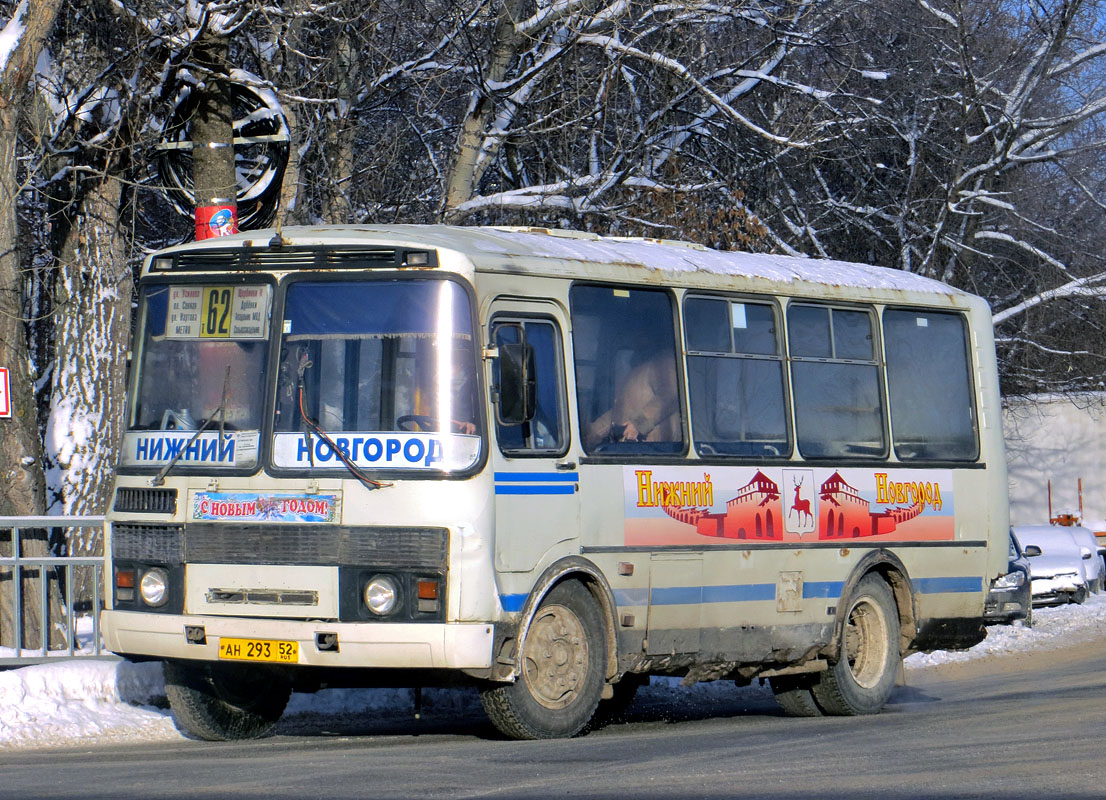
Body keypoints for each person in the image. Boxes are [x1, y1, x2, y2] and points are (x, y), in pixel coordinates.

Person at [586, 352, 680, 448]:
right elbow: (619, 412)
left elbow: (669, 397)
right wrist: (592, 432)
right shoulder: (635, 372)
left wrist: (638, 424)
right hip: (635, 448)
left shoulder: (663, 363)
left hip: (659, 450)